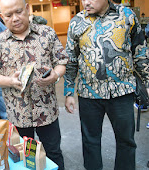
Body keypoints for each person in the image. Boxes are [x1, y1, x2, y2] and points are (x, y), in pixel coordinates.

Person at [64, 0, 149, 170]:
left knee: (126, 141)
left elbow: (139, 51)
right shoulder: (77, 22)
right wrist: (68, 91)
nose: (85, 2)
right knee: (90, 142)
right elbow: (71, 59)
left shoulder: (127, 16)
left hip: (122, 92)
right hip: (89, 93)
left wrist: (147, 81)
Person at [0, 0, 68, 169]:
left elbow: (61, 62)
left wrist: (56, 75)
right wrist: (9, 81)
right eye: (8, 15)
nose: (15, 18)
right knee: (26, 157)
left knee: (53, 152)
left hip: (47, 111)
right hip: (18, 114)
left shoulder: (47, 34)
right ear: (2, 17)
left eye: (18, 12)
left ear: (27, 8)